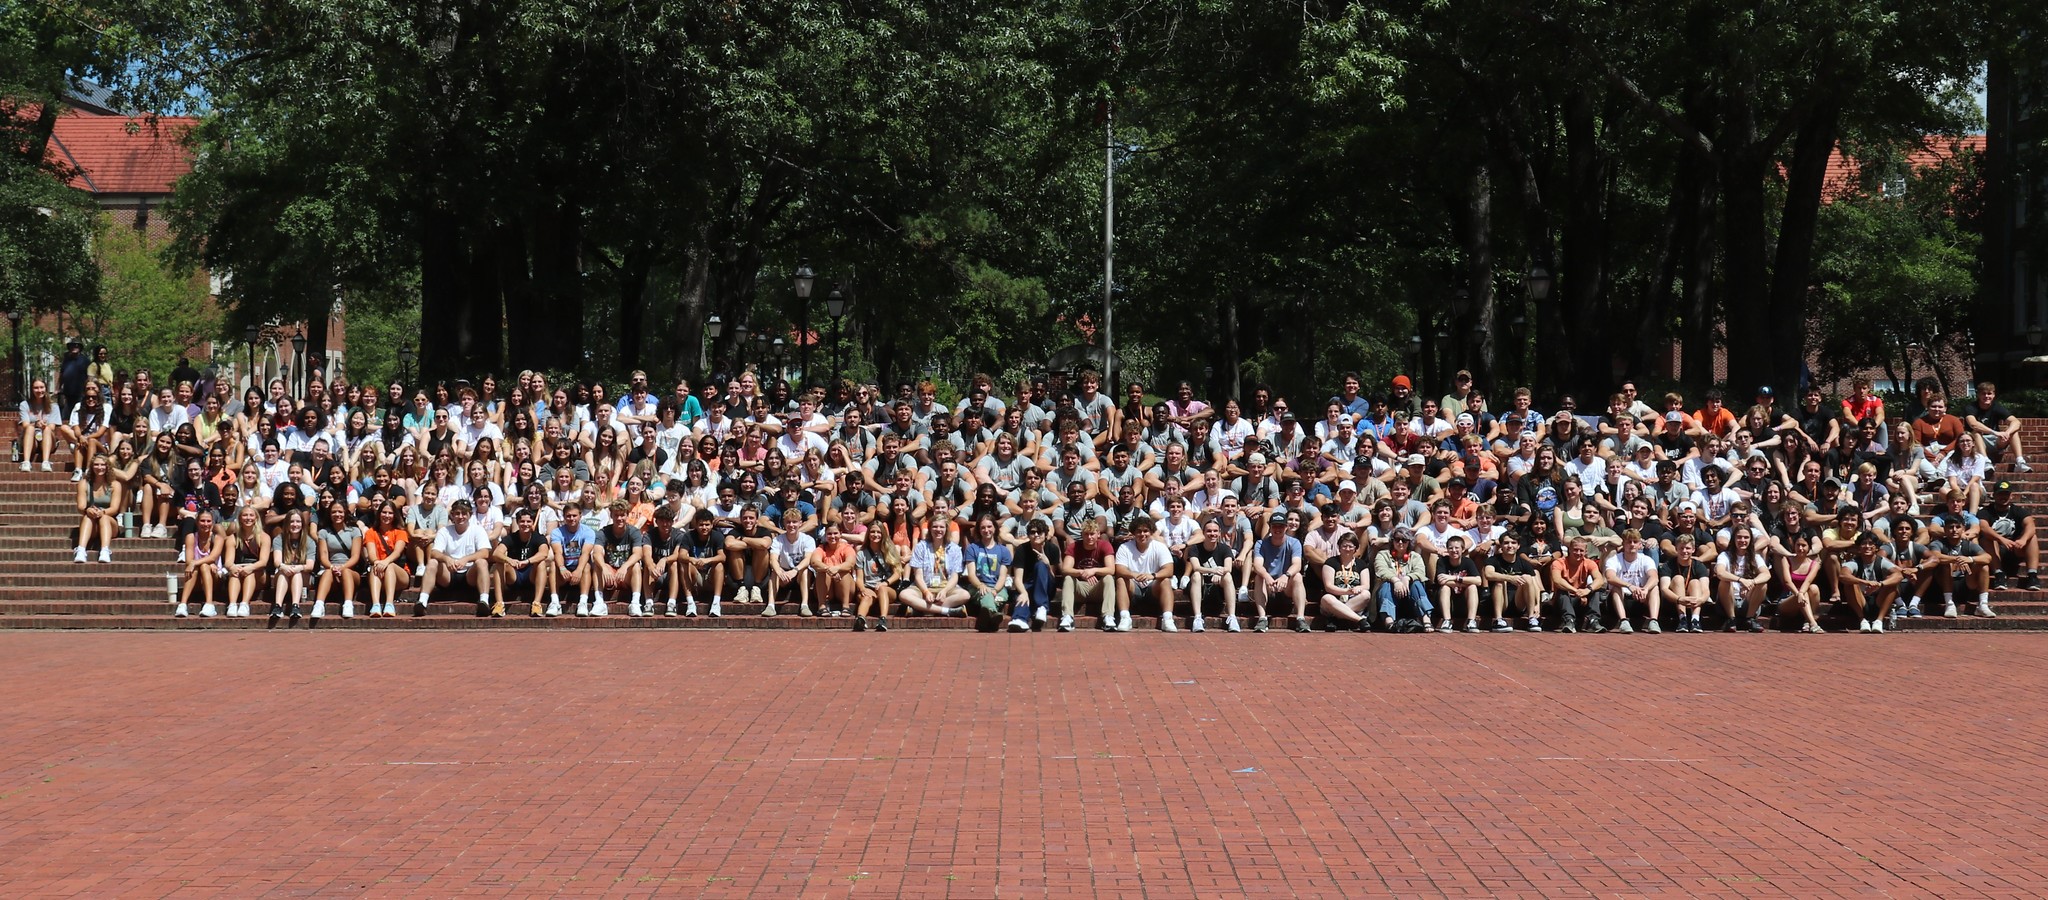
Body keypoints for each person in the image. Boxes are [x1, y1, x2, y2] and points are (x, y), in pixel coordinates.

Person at [418, 498, 493, 617]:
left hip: (470, 574)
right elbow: (435, 552)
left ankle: (484, 601)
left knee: (482, 562)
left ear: (470, 515)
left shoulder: (478, 530)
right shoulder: (444, 531)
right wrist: (447, 559)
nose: (460, 516)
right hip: (448, 574)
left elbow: (485, 552)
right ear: (452, 515)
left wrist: (466, 559)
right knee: (432, 562)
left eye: (464, 513)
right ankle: (422, 601)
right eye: (457, 513)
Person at [1114, 516, 1176, 632]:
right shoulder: (1125, 547)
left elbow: (1169, 570)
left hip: (1153, 588)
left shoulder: (1160, 547)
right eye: (1139, 531)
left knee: (1166, 581)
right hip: (1134, 588)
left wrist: (1152, 575)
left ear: (1151, 532)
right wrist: (1133, 574)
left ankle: (1168, 619)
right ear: (1133, 533)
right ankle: (1124, 618)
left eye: (1146, 531)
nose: (1142, 534)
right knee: (1121, 580)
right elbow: (1119, 569)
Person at [1249, 510, 1308, 633]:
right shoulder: (1260, 543)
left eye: (1281, 526)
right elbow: (1258, 565)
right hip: (1268, 586)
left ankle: (1301, 618)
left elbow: (1297, 564)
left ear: (1286, 527)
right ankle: (1262, 618)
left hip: (1286, 587)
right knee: (1259, 576)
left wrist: (1285, 576)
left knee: (1297, 576)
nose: (1278, 529)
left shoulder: (1294, 543)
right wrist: (1267, 577)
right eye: (1274, 525)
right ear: (1269, 527)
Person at [1925, 517, 1993, 619]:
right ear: (1945, 530)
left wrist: (1969, 559)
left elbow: (1988, 557)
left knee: (1984, 566)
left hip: (1966, 583)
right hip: (1943, 584)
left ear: (1963, 529)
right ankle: (1949, 604)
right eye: (1951, 527)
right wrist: (1956, 559)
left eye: (1958, 527)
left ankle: (1983, 604)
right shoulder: (1938, 543)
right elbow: (1936, 556)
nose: (1954, 530)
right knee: (1945, 564)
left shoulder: (1969, 545)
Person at [1059, 516, 1117, 632]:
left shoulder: (1105, 545)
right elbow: (1065, 569)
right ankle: (1067, 617)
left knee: (1109, 578)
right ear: (1082, 535)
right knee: (1068, 578)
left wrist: (1093, 570)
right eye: (1086, 534)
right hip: (1080, 587)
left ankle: (1108, 617)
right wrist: (1081, 572)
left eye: (1092, 534)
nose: (1089, 537)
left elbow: (1111, 569)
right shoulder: (1074, 547)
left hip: (1098, 588)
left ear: (1098, 534)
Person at [494, 507, 552, 616]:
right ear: (518, 522)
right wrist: (509, 560)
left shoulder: (538, 537)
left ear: (533, 522)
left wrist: (527, 561)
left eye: (528, 521)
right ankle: (499, 604)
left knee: (541, 563)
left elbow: (544, 553)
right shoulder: (511, 537)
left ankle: (536, 603)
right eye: (522, 521)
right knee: (499, 563)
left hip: (531, 575)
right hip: (514, 575)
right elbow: (496, 553)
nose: (525, 524)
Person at [595, 499, 649, 617]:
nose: (619, 518)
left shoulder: (633, 532)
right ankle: (599, 602)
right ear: (611, 515)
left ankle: (635, 602)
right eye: (616, 515)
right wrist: (604, 567)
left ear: (627, 515)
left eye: (622, 515)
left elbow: (638, 554)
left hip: (626, 574)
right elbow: (597, 552)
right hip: (609, 573)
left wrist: (625, 566)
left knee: (635, 565)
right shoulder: (603, 532)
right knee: (597, 565)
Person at [1838, 533, 1901, 633]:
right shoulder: (1854, 562)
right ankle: (1862, 620)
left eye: (1871, 543)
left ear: (1876, 548)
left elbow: (1898, 575)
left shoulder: (1881, 561)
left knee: (1892, 583)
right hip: (1860, 601)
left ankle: (1879, 621)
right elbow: (1843, 575)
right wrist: (1865, 582)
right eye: (1864, 543)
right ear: (1859, 548)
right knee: (1850, 583)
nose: (1867, 546)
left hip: (1878, 601)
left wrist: (1880, 584)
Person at [1712, 527, 1771, 632]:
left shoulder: (1755, 557)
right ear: (1733, 539)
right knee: (1725, 581)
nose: (1742, 540)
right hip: (1728, 603)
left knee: (1763, 584)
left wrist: (1751, 582)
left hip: (1748, 602)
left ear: (1750, 540)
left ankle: (1750, 619)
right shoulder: (1725, 555)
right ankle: (1731, 619)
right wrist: (1740, 580)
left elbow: (1766, 574)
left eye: (1746, 537)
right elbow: (1720, 572)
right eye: (1739, 537)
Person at [1483, 531, 1544, 632]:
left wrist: (1537, 605)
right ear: (1501, 545)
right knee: (1499, 582)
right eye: (1506, 543)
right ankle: (1498, 620)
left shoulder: (1524, 563)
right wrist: (1510, 578)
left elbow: (1535, 585)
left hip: (1518, 602)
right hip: (1501, 601)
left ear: (1518, 546)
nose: (1510, 546)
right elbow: (1488, 574)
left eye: (1513, 543)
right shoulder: (1493, 560)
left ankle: (1532, 619)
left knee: (1527, 577)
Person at [1372, 526, 1431, 631]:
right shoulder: (1382, 555)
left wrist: (1407, 578)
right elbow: (1381, 571)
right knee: (1386, 584)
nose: (1400, 542)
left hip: (1409, 595)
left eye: (1404, 540)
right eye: (1397, 539)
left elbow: (1420, 572)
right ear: (1392, 541)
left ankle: (1426, 620)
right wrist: (1396, 580)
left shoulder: (1415, 556)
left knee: (1416, 584)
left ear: (1409, 542)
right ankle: (1389, 622)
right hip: (1390, 593)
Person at [313, 500, 364, 622]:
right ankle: (319, 604)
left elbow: (355, 556)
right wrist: (332, 567)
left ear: (345, 513)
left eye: (340, 511)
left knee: (346, 571)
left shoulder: (355, 531)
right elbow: (323, 556)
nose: (337, 515)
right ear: (329, 514)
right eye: (334, 512)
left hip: (350, 571)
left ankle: (348, 604)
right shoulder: (323, 533)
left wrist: (342, 567)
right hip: (331, 571)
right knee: (327, 572)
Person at [1008, 519, 1062, 631]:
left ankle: (1042, 606)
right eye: (1032, 532)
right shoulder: (1021, 549)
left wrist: (1047, 563)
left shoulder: (1053, 549)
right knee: (1023, 597)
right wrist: (1023, 593)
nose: (1036, 535)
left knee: (1040, 565)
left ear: (1046, 534)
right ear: (1028, 535)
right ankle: (1019, 619)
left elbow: (1051, 576)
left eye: (1040, 532)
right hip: (1028, 586)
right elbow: (1018, 579)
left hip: (1046, 587)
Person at [960, 515, 1012, 632]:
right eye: (983, 527)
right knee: (986, 594)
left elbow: (1003, 576)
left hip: (997, 587)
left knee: (996, 596)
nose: (986, 530)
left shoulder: (1004, 550)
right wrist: (980, 585)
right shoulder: (972, 548)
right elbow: (971, 574)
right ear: (979, 530)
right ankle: (993, 616)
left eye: (989, 526)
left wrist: (995, 590)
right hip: (977, 586)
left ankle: (986, 618)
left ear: (995, 528)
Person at [361, 501, 412, 618]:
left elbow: (397, 552)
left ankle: (389, 604)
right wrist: (378, 562)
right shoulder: (371, 532)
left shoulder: (400, 532)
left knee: (388, 566)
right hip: (379, 572)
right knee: (375, 566)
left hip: (400, 574)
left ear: (395, 515)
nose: (387, 516)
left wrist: (385, 562)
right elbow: (372, 554)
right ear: (379, 514)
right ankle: (376, 605)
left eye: (390, 513)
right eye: (384, 512)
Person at [269, 509, 318, 627]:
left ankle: (295, 606)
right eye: (292, 522)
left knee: (297, 573)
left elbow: (310, 566)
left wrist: (297, 568)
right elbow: (277, 561)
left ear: (302, 524)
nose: (295, 525)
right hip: (284, 575)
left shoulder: (309, 541)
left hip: (303, 576)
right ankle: (278, 606)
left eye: (298, 521)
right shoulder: (279, 539)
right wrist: (284, 566)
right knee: (282, 572)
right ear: (286, 523)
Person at [549, 502, 600, 616]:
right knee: (553, 564)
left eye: (574, 515)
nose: (571, 518)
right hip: (565, 569)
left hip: (580, 568)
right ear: (564, 517)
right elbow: (558, 552)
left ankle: (583, 602)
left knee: (586, 565)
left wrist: (578, 570)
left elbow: (585, 553)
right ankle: (554, 602)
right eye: (568, 516)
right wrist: (562, 568)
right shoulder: (557, 532)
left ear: (580, 516)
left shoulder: (588, 532)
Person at [1603, 530, 1659, 634]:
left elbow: (1654, 577)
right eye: (1629, 542)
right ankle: (1623, 621)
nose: (1632, 544)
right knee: (1616, 587)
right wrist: (1629, 586)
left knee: (1654, 587)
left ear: (1639, 544)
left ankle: (1654, 621)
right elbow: (1610, 577)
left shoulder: (1646, 559)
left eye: (1635, 541)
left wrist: (1645, 589)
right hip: (1619, 600)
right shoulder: (1614, 560)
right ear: (1623, 544)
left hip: (1640, 599)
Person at [675, 509, 729, 617]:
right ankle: (690, 603)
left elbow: (722, 557)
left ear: (712, 524)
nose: (704, 528)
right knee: (684, 565)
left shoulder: (717, 536)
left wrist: (707, 560)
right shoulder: (688, 536)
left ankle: (716, 603)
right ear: (696, 524)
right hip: (696, 578)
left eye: (707, 525)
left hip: (710, 576)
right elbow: (681, 555)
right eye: (701, 525)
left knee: (719, 565)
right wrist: (691, 559)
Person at [1548, 536, 1605, 634]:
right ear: (1569, 549)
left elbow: (1599, 580)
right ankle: (1569, 621)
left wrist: (1587, 590)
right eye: (1575, 550)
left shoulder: (1589, 563)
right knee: (1562, 590)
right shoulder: (1558, 563)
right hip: (1562, 602)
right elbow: (1557, 580)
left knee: (1596, 589)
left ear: (1586, 551)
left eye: (1581, 550)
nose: (1578, 553)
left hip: (1580, 601)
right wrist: (1576, 591)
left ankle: (1593, 621)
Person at [1318, 530, 1373, 631]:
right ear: (1339, 547)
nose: (1347, 549)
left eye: (1351, 546)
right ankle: (1360, 620)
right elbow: (1328, 586)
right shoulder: (1331, 562)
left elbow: (1366, 586)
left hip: (1353, 600)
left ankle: (1335, 618)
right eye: (1344, 546)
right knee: (1327, 598)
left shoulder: (1361, 564)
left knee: (1366, 594)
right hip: (1334, 601)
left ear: (1355, 548)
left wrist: (1358, 588)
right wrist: (1346, 591)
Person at [768, 506, 818, 616]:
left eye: (794, 522)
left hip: (799, 574)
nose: (791, 525)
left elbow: (808, 559)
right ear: (784, 524)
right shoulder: (778, 540)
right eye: (788, 522)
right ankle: (770, 605)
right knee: (774, 572)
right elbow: (773, 559)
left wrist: (795, 570)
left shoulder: (807, 539)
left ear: (800, 523)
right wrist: (780, 571)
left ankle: (804, 605)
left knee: (805, 570)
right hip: (784, 575)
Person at [73, 453, 122, 564]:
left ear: (107, 467)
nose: (99, 467)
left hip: (109, 521)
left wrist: (102, 512)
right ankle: (81, 550)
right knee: (87, 517)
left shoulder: (115, 485)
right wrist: (87, 510)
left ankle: (105, 551)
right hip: (92, 522)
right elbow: (80, 506)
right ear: (91, 466)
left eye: (102, 465)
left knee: (104, 518)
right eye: (96, 465)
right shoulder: (84, 483)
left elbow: (115, 508)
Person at [176, 509, 225, 618]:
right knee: (198, 567)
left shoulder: (217, 538)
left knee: (203, 566)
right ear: (197, 522)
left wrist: (196, 563)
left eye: (208, 521)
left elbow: (213, 557)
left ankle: (209, 604)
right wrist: (195, 563)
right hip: (196, 578)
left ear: (212, 522)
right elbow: (189, 561)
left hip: (214, 576)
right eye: (202, 521)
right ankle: (182, 604)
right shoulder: (191, 537)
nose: (205, 524)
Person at [222, 506, 269, 618]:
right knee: (234, 573)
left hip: (258, 573)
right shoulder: (232, 538)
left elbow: (263, 562)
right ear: (239, 518)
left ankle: (244, 604)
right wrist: (232, 567)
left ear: (256, 518)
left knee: (250, 572)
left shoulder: (264, 537)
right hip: (239, 570)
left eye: (251, 515)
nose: (248, 518)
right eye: (245, 515)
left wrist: (250, 567)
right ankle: (232, 604)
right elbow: (228, 562)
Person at [1659, 534, 1712, 633]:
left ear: (1693, 550)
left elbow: (1705, 589)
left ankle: (1695, 620)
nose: (1684, 551)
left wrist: (1701, 600)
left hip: (1694, 602)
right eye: (1681, 548)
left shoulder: (1699, 565)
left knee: (1695, 582)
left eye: (1687, 548)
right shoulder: (1668, 565)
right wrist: (1679, 599)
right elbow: (1664, 589)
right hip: (1674, 601)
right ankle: (1682, 619)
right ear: (1676, 549)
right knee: (1678, 579)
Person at [1776, 532, 1826, 634]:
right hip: (1788, 599)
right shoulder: (1786, 560)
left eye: (1804, 545)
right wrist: (1798, 594)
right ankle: (1813, 623)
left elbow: (1808, 581)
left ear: (1809, 547)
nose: (1800, 548)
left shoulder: (1815, 564)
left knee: (1814, 588)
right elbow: (1787, 581)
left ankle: (1808, 620)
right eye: (1798, 545)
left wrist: (1801, 594)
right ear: (1794, 546)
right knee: (1804, 593)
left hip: (1804, 598)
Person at [19, 378, 62, 473]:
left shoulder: (54, 406)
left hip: (48, 440)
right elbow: (25, 425)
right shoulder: (24, 405)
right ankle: (26, 462)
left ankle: (45, 462)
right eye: (36, 388)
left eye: (42, 387)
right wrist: (35, 424)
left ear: (46, 388)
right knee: (30, 428)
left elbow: (52, 427)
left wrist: (43, 426)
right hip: (32, 439)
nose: (39, 390)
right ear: (32, 389)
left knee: (47, 429)